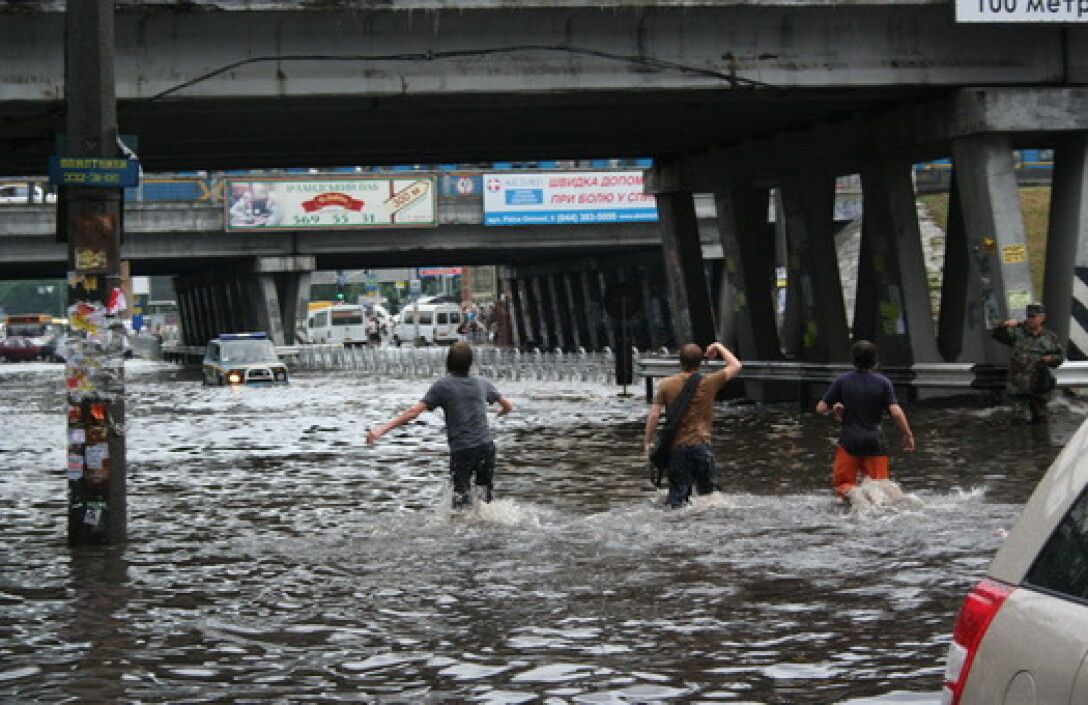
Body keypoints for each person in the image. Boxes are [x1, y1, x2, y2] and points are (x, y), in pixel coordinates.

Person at [366, 341, 514, 507]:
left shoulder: (443, 386)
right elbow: (508, 405)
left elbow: (413, 412)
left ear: (448, 362)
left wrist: (382, 430)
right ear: (470, 363)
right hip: (486, 448)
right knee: (485, 498)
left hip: (462, 451)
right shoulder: (482, 383)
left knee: (460, 501)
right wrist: (502, 412)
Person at [642, 341, 743, 508]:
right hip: (702, 446)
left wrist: (647, 441)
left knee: (677, 501)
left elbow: (653, 415)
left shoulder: (666, 384)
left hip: (677, 449)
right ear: (700, 362)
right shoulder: (710, 381)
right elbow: (736, 365)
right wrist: (717, 346)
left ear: (680, 362)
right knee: (708, 498)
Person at [816, 340, 915, 500]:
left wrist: (835, 407)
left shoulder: (842, 380)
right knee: (879, 489)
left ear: (853, 360)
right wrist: (908, 434)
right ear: (875, 361)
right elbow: (896, 412)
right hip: (875, 442)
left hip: (849, 441)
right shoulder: (884, 382)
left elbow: (820, 408)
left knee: (843, 486)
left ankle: (855, 495)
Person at [991, 302, 1065, 423]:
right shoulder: (1017, 333)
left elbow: (1060, 357)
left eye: (1033, 316)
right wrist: (1004, 325)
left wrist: (1050, 359)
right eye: (1028, 316)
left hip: (1039, 388)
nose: (1030, 319)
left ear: (1042, 318)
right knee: (1019, 422)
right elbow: (995, 334)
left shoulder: (1050, 337)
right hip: (1018, 388)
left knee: (1041, 421)